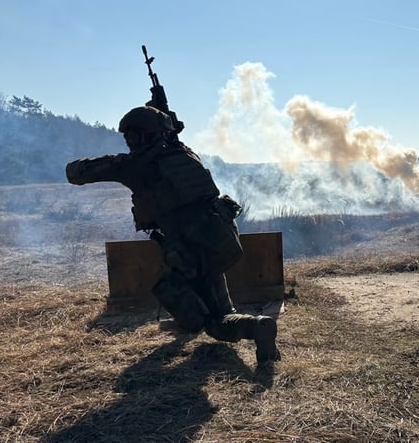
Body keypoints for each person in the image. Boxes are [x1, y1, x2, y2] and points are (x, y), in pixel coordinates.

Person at [65, 105, 280, 365]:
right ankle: (252, 325)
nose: (128, 142)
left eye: (129, 136)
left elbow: (75, 173)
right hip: (217, 237)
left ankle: (256, 328)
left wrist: (103, 162)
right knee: (220, 306)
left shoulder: (136, 165)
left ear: (138, 136)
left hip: (188, 252)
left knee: (210, 322)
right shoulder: (185, 153)